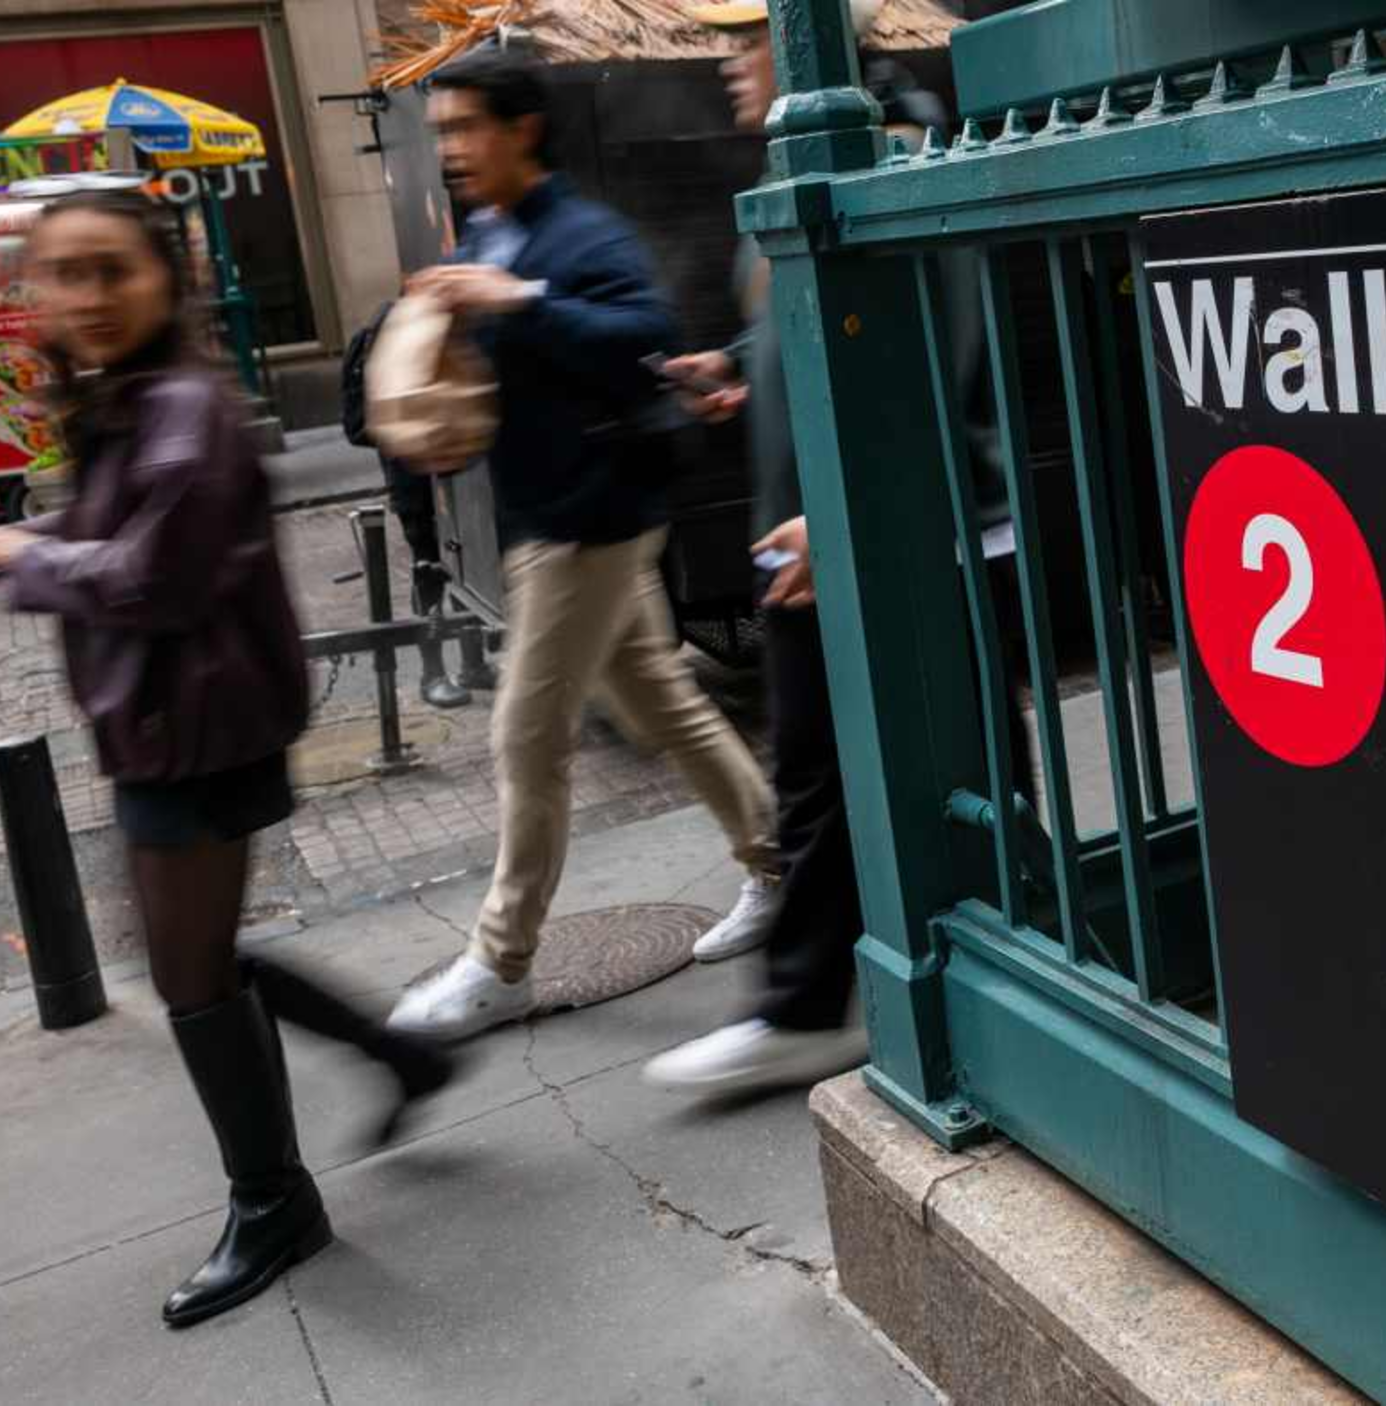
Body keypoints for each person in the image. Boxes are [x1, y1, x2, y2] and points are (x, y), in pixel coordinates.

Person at [0, 188, 457, 1328]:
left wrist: (21, 557)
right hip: (174, 723)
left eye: (110, 270)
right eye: (62, 273)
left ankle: (274, 1200)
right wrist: (22, 544)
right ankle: (394, 1058)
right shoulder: (134, 398)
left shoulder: (182, 408)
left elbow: (153, 577)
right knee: (193, 960)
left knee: (187, 973)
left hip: (196, 729)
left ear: (166, 280)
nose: (86, 295)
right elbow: (121, 537)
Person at [645, 0, 1007, 1095]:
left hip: (876, 529)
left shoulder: (895, 156)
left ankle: (819, 1003)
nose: (729, 63)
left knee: (879, 765)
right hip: (812, 525)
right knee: (857, 764)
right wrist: (738, 362)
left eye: (746, 36)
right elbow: (814, 324)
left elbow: (934, 356)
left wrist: (850, 513)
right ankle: (914, 977)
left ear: (810, 42)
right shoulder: (812, 164)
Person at [384, 49, 778, 1040]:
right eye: (442, 133)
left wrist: (515, 302)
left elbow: (641, 329)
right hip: (549, 517)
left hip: (590, 521)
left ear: (522, 129)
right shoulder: (490, 229)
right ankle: (777, 863)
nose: (451, 149)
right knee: (661, 702)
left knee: (525, 736)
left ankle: (500, 961)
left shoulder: (580, 231)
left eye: (464, 127)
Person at [341, 297, 470, 709]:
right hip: (413, 471)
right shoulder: (391, 330)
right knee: (429, 567)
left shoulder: (429, 320)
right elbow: (367, 422)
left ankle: (473, 663)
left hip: (451, 468)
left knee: (465, 564)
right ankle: (433, 672)